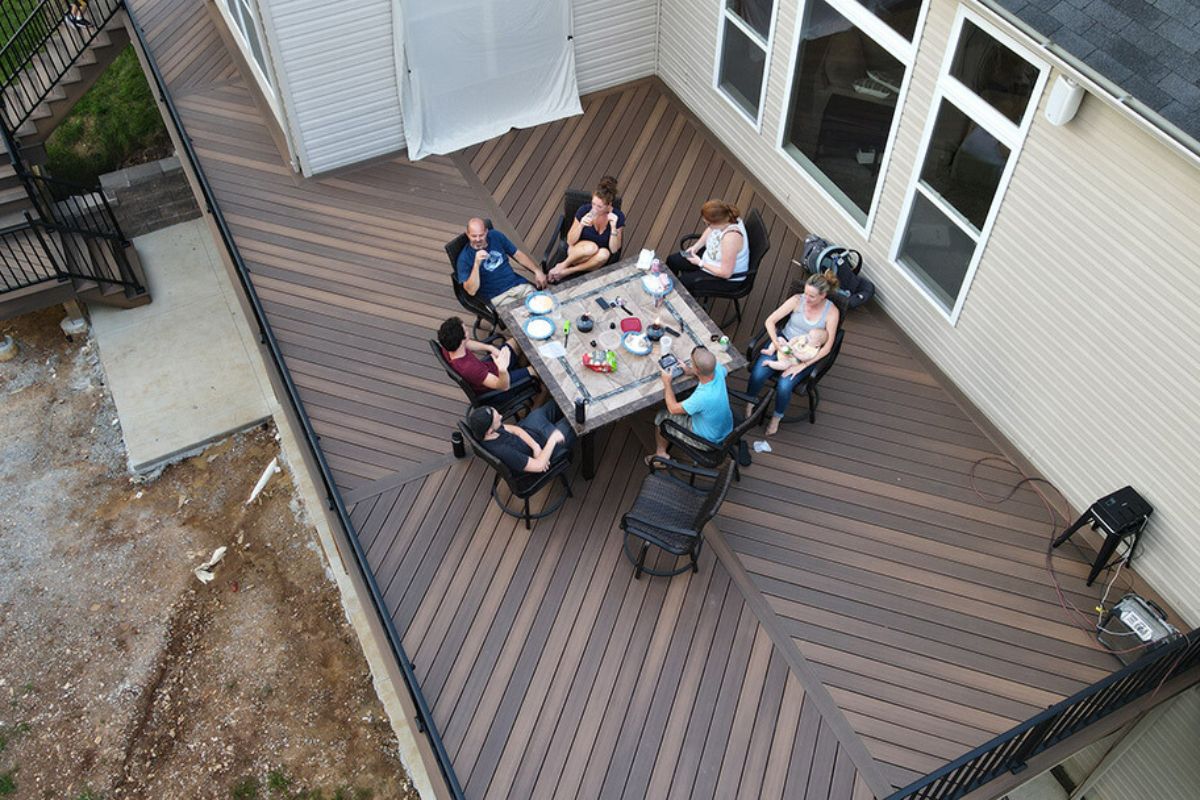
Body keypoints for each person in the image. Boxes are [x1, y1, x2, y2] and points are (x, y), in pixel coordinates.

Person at [745, 270, 841, 435]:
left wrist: (803, 366)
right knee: (758, 373)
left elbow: (827, 347)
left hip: (806, 352)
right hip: (785, 341)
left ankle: (776, 417)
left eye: (811, 296)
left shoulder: (832, 312)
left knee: (785, 384)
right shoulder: (797, 300)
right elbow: (770, 320)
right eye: (806, 293)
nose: (806, 298)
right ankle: (749, 403)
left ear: (823, 295)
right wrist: (776, 343)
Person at [651, 346, 733, 463]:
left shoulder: (702, 397)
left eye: (692, 363)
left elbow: (673, 409)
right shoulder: (718, 368)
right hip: (726, 429)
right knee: (685, 397)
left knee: (661, 416)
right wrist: (688, 370)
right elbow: (709, 372)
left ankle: (661, 454)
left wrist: (667, 383)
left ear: (698, 369)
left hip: (707, 441)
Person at [437, 317, 541, 406]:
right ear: (461, 340)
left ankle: (520, 368)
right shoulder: (471, 369)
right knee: (538, 370)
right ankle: (538, 405)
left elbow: (467, 343)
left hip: (492, 367)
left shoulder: (449, 346)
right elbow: (503, 386)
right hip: (498, 384)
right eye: (466, 331)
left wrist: (490, 347)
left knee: (516, 340)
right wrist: (502, 368)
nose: (468, 331)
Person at [547, 176, 624, 283]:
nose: (594, 209)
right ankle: (563, 265)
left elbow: (614, 250)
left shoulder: (617, 217)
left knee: (604, 253)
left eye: (599, 206)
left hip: (595, 260)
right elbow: (570, 241)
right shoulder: (584, 211)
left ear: (609, 205)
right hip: (577, 253)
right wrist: (581, 225)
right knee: (592, 247)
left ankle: (568, 271)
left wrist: (613, 227)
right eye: (593, 204)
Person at [456, 218, 547, 306]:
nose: (478, 239)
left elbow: (517, 254)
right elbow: (471, 291)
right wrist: (476, 264)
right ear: (467, 234)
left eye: (481, 235)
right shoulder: (464, 258)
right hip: (498, 297)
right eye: (474, 236)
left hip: (517, 285)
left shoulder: (496, 236)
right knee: (521, 316)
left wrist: (537, 271)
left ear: (486, 231)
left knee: (541, 305)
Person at [466, 402, 576, 474]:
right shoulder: (504, 451)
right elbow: (539, 466)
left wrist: (535, 446)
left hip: (532, 436)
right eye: (498, 418)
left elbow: (515, 430)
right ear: (490, 431)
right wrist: (552, 440)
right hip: (543, 451)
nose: (501, 416)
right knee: (574, 418)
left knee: (558, 402)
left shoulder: (485, 430)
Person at [665, 200, 750, 292]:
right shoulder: (728, 218)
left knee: (683, 283)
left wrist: (700, 263)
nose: (707, 226)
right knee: (673, 260)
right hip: (710, 257)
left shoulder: (730, 239)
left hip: (725, 278)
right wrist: (696, 247)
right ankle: (665, 284)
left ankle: (673, 294)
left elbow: (726, 273)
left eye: (707, 223)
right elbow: (710, 230)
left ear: (716, 222)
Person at [762, 328, 829, 371]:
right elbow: (796, 338)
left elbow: (804, 358)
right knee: (779, 339)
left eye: (811, 337)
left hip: (790, 359)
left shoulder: (812, 351)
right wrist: (790, 343)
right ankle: (770, 350)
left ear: (817, 344)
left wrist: (795, 352)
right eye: (808, 334)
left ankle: (770, 363)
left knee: (784, 365)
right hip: (787, 348)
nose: (807, 337)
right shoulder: (805, 338)